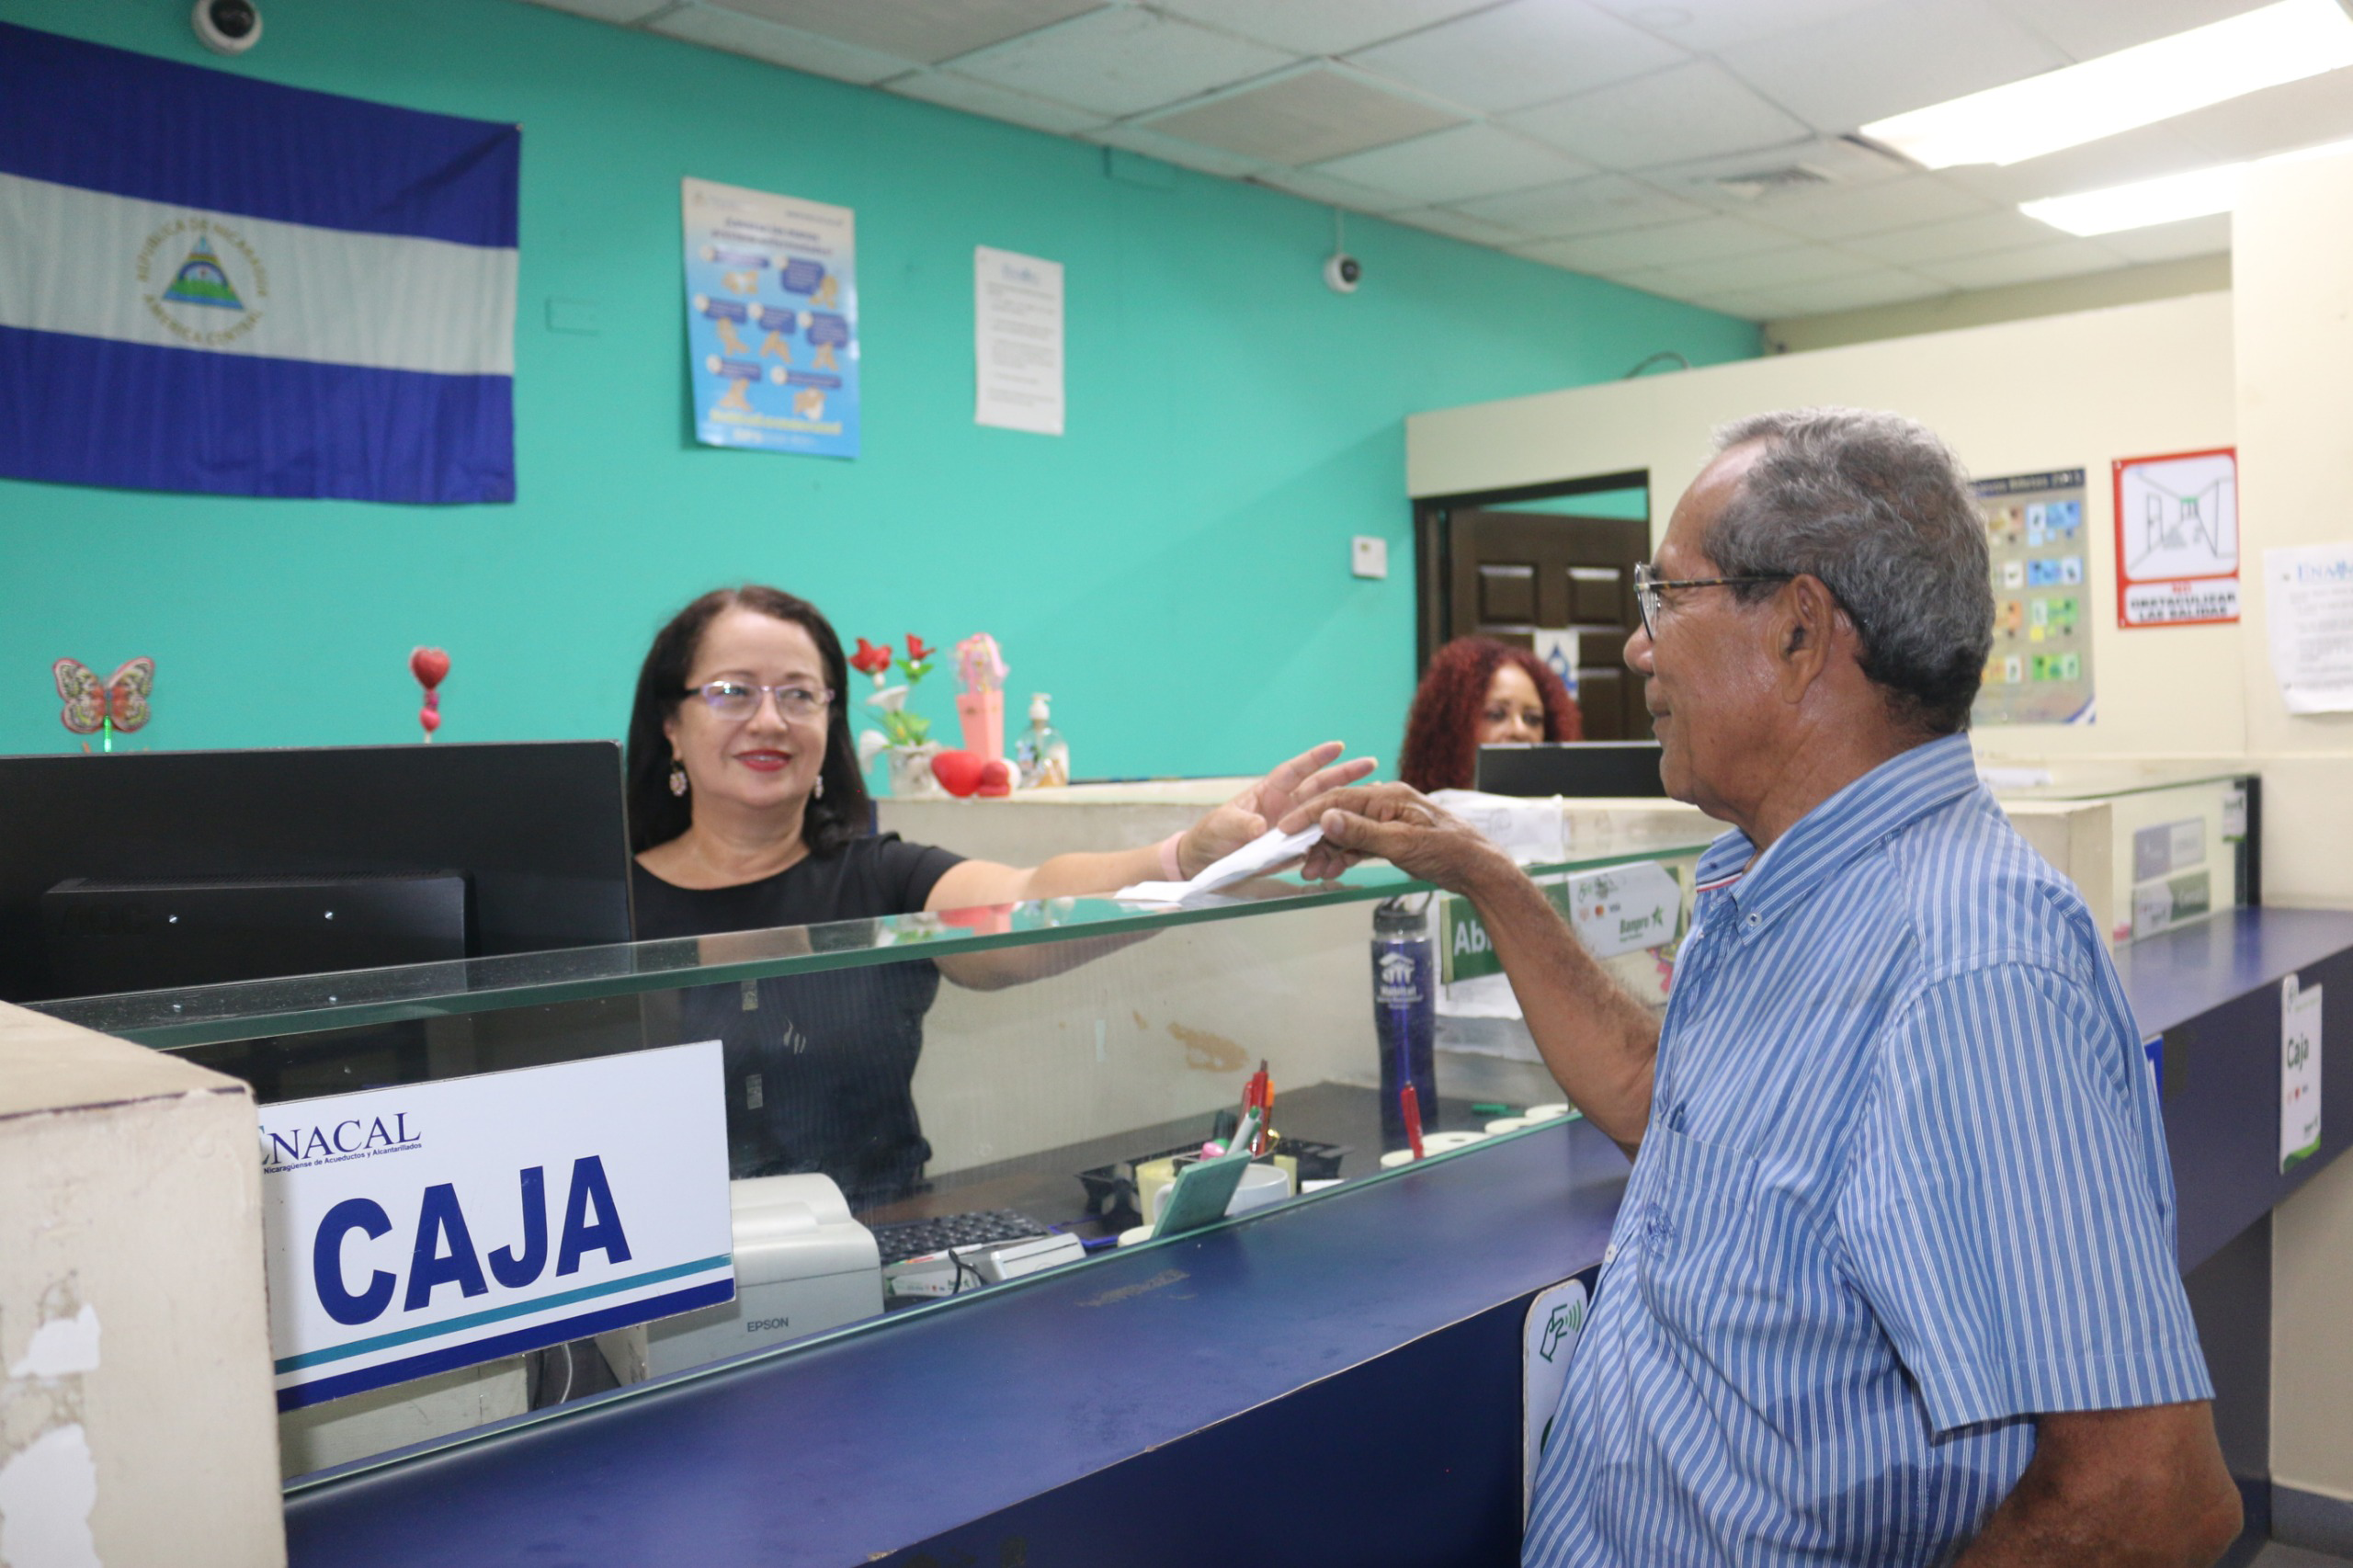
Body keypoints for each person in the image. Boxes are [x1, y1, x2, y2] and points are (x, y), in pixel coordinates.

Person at [1284, 410, 2241, 1566]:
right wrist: (1480, 872)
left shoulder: (1969, 967)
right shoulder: (1774, 881)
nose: (1637, 648)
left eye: (1665, 596)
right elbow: (1663, 1098)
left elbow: (2149, 1494)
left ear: (1798, 628)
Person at [627, 584, 1370, 1204]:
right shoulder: (601, 903)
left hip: (875, 1260)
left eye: (799, 694)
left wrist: (1187, 859)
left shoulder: (886, 878)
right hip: (656, 1285)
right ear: (671, 722)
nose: (769, 719)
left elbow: (1031, 896)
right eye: (732, 692)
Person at [1397, 636, 1582, 792]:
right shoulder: (1415, 819)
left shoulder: (1565, 818)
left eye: (1532, 719)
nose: (1519, 731)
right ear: (1452, 727)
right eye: (1497, 715)